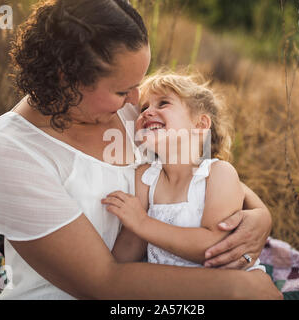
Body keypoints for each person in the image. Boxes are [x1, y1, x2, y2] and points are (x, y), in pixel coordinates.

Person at [0, 0, 280, 299]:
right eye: (123, 90)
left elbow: (192, 171)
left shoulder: (127, 111)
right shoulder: (17, 149)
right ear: (67, 78)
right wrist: (235, 288)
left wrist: (259, 215)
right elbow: (103, 283)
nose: (135, 101)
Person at [103, 71, 266, 273]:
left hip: (223, 287)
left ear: (200, 125)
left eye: (163, 103)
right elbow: (131, 244)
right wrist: (102, 276)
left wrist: (142, 222)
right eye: (144, 107)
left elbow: (212, 246)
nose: (147, 112)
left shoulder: (218, 174)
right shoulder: (146, 178)